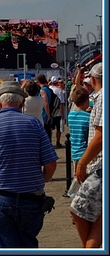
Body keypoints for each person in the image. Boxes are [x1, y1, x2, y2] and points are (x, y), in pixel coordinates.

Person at [0, 80, 58, 249]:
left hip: (2, 198)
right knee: (28, 244)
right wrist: (43, 179)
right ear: (22, 102)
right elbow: (51, 164)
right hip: (31, 198)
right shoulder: (34, 125)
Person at [70, 62, 102, 248]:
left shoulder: (103, 97)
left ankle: (89, 249)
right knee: (97, 215)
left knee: (78, 208)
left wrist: (82, 162)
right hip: (97, 164)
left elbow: (100, 137)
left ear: (94, 80)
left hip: (99, 164)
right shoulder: (97, 98)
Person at [67, 87, 90, 171]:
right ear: (86, 101)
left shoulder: (70, 115)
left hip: (74, 151)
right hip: (85, 152)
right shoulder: (88, 117)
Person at [50, 76, 65, 148]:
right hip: (58, 112)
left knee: (50, 128)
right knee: (58, 129)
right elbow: (61, 103)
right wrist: (62, 113)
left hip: (49, 112)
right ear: (57, 83)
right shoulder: (59, 91)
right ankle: (58, 142)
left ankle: (49, 142)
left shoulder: (48, 89)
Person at [37, 74, 53, 140]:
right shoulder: (48, 89)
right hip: (48, 111)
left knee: (45, 131)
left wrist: (48, 115)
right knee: (48, 130)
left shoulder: (42, 90)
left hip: (44, 112)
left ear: (38, 81)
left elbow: (45, 103)